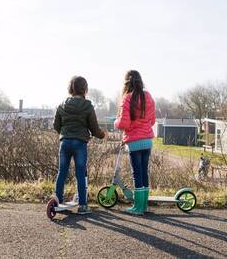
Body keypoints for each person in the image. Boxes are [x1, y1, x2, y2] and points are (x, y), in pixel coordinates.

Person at [53, 76, 107, 214]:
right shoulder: (87, 105)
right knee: (80, 174)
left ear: (70, 88)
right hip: (80, 143)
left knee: (62, 172)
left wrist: (65, 134)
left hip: (64, 142)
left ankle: (58, 201)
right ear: (85, 89)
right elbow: (95, 129)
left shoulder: (61, 105)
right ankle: (82, 205)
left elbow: (56, 125)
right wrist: (103, 135)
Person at [114, 70, 155, 215]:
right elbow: (152, 120)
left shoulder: (127, 98)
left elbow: (123, 123)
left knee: (136, 173)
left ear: (127, 83)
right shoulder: (148, 96)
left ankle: (137, 207)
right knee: (144, 172)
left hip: (134, 142)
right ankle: (144, 205)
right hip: (147, 141)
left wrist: (115, 122)